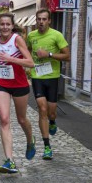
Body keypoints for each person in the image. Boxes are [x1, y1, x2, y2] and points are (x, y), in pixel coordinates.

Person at [0, 13, 36, 174]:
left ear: (12, 25)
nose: (5, 27)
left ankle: (30, 139)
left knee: (22, 119)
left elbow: (30, 63)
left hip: (19, 84)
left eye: (8, 24)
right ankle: (9, 160)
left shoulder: (17, 39)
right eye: (2, 24)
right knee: (4, 119)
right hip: (1, 83)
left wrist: (11, 59)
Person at [26, 8, 70, 160]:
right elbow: (28, 50)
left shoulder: (56, 35)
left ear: (49, 21)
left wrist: (49, 54)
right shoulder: (31, 35)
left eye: (44, 19)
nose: (41, 22)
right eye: (39, 19)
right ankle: (47, 146)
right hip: (37, 76)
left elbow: (67, 56)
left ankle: (52, 121)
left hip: (52, 77)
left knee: (51, 112)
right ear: (36, 20)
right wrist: (28, 65)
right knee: (42, 109)